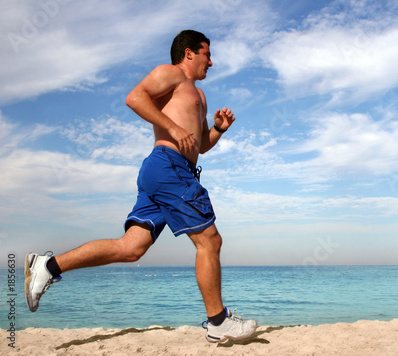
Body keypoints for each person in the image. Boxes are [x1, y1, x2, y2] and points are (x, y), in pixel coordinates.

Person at [24, 29, 257, 343]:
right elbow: (134, 97)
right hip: (168, 166)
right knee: (209, 241)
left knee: (130, 248)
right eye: (207, 54)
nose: (211, 62)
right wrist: (173, 127)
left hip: (169, 169)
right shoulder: (171, 74)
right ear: (189, 53)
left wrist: (217, 129)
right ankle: (217, 322)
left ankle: (47, 266)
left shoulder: (198, 95)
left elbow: (199, 146)